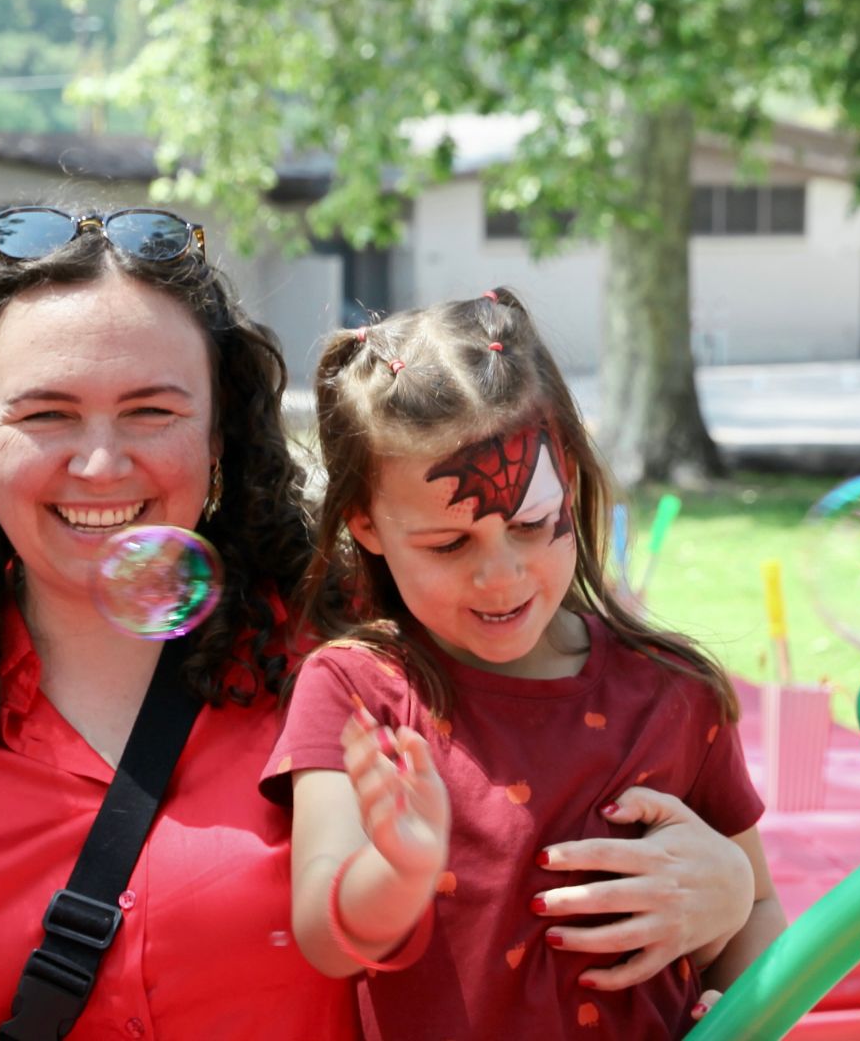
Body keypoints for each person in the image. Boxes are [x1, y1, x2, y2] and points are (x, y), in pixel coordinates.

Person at [0, 205, 362, 1036]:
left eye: (152, 411)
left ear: (220, 432)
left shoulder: (355, 669)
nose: (102, 464)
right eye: (45, 415)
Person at [264, 289, 784, 1039]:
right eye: (449, 545)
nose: (501, 576)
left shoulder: (675, 692)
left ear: (567, 480)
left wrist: (739, 980)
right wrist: (398, 872)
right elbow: (324, 932)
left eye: (534, 525)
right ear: (366, 524)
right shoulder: (356, 688)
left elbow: (757, 913)